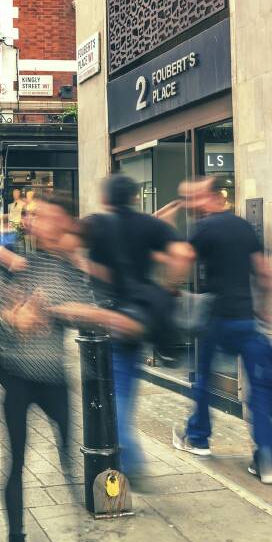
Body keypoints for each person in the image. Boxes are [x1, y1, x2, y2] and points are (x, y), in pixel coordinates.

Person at [0, 191, 142, 542]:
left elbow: (89, 308)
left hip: (54, 377)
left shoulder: (70, 268)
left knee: (69, 458)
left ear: (65, 223)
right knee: (16, 462)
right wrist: (12, 318)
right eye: (36, 216)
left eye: (48, 216)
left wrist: (93, 314)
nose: (38, 222)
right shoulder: (16, 261)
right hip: (16, 377)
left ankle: (84, 537)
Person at [167, 177, 272, 485]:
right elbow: (266, 275)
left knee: (203, 378)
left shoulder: (205, 228)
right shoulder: (244, 227)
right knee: (260, 388)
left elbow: (182, 259)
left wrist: (170, 289)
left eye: (197, 196)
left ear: (211, 197)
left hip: (216, 319)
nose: (193, 202)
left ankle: (199, 439)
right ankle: (267, 458)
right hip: (246, 319)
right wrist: (263, 307)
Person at [82, 175, 189, 480]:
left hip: (106, 320)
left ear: (105, 199)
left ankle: (130, 462)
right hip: (139, 319)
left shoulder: (97, 224)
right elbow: (183, 254)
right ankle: (127, 458)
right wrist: (169, 286)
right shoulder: (149, 225)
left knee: (114, 399)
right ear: (135, 197)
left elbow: (76, 251)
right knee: (125, 387)